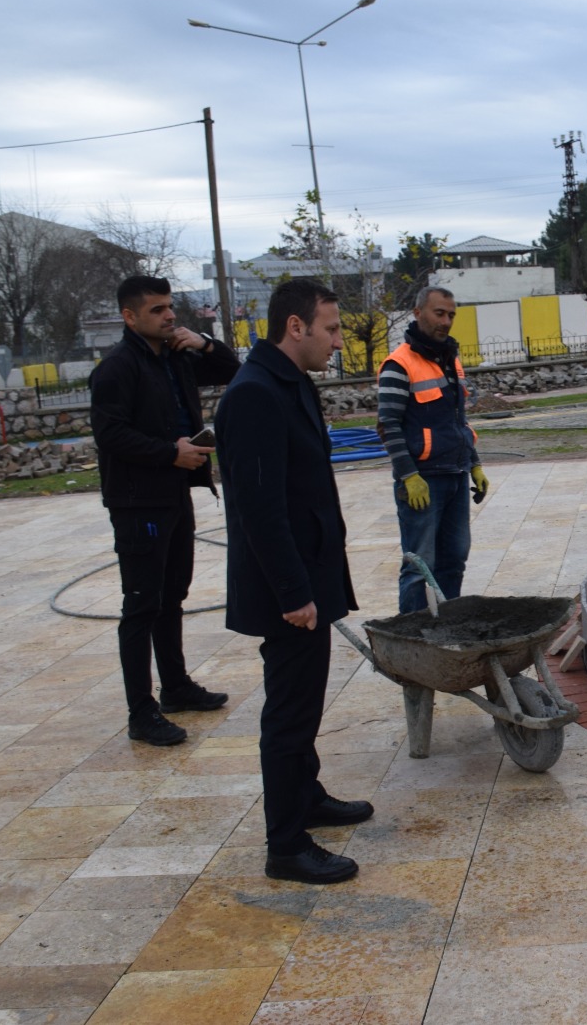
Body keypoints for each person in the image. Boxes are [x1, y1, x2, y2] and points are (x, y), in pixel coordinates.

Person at [216, 277, 372, 885]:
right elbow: (260, 509)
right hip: (287, 590)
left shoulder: (290, 382)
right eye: (330, 329)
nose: (338, 341)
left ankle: (306, 797)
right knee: (288, 714)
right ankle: (286, 844)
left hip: (309, 577)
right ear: (296, 326)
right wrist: (293, 593)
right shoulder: (255, 393)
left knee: (305, 703)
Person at [91, 275, 240, 747]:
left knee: (172, 594)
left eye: (170, 306)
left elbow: (231, 369)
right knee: (141, 604)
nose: (170, 315)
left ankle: (175, 687)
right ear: (129, 316)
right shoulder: (117, 369)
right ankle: (141, 713)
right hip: (139, 502)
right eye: (157, 309)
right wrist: (169, 452)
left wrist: (205, 342)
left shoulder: (175, 357)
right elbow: (110, 434)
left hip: (176, 492)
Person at [377, 285, 487, 611]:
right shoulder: (399, 364)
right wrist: (408, 475)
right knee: (419, 567)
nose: (446, 321)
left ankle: (447, 628)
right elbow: (388, 425)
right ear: (417, 312)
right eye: (439, 313)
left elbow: (458, 421)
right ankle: (412, 636)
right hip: (422, 482)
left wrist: (474, 463)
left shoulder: (450, 361)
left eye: (451, 315)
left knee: (454, 559)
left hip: (455, 475)